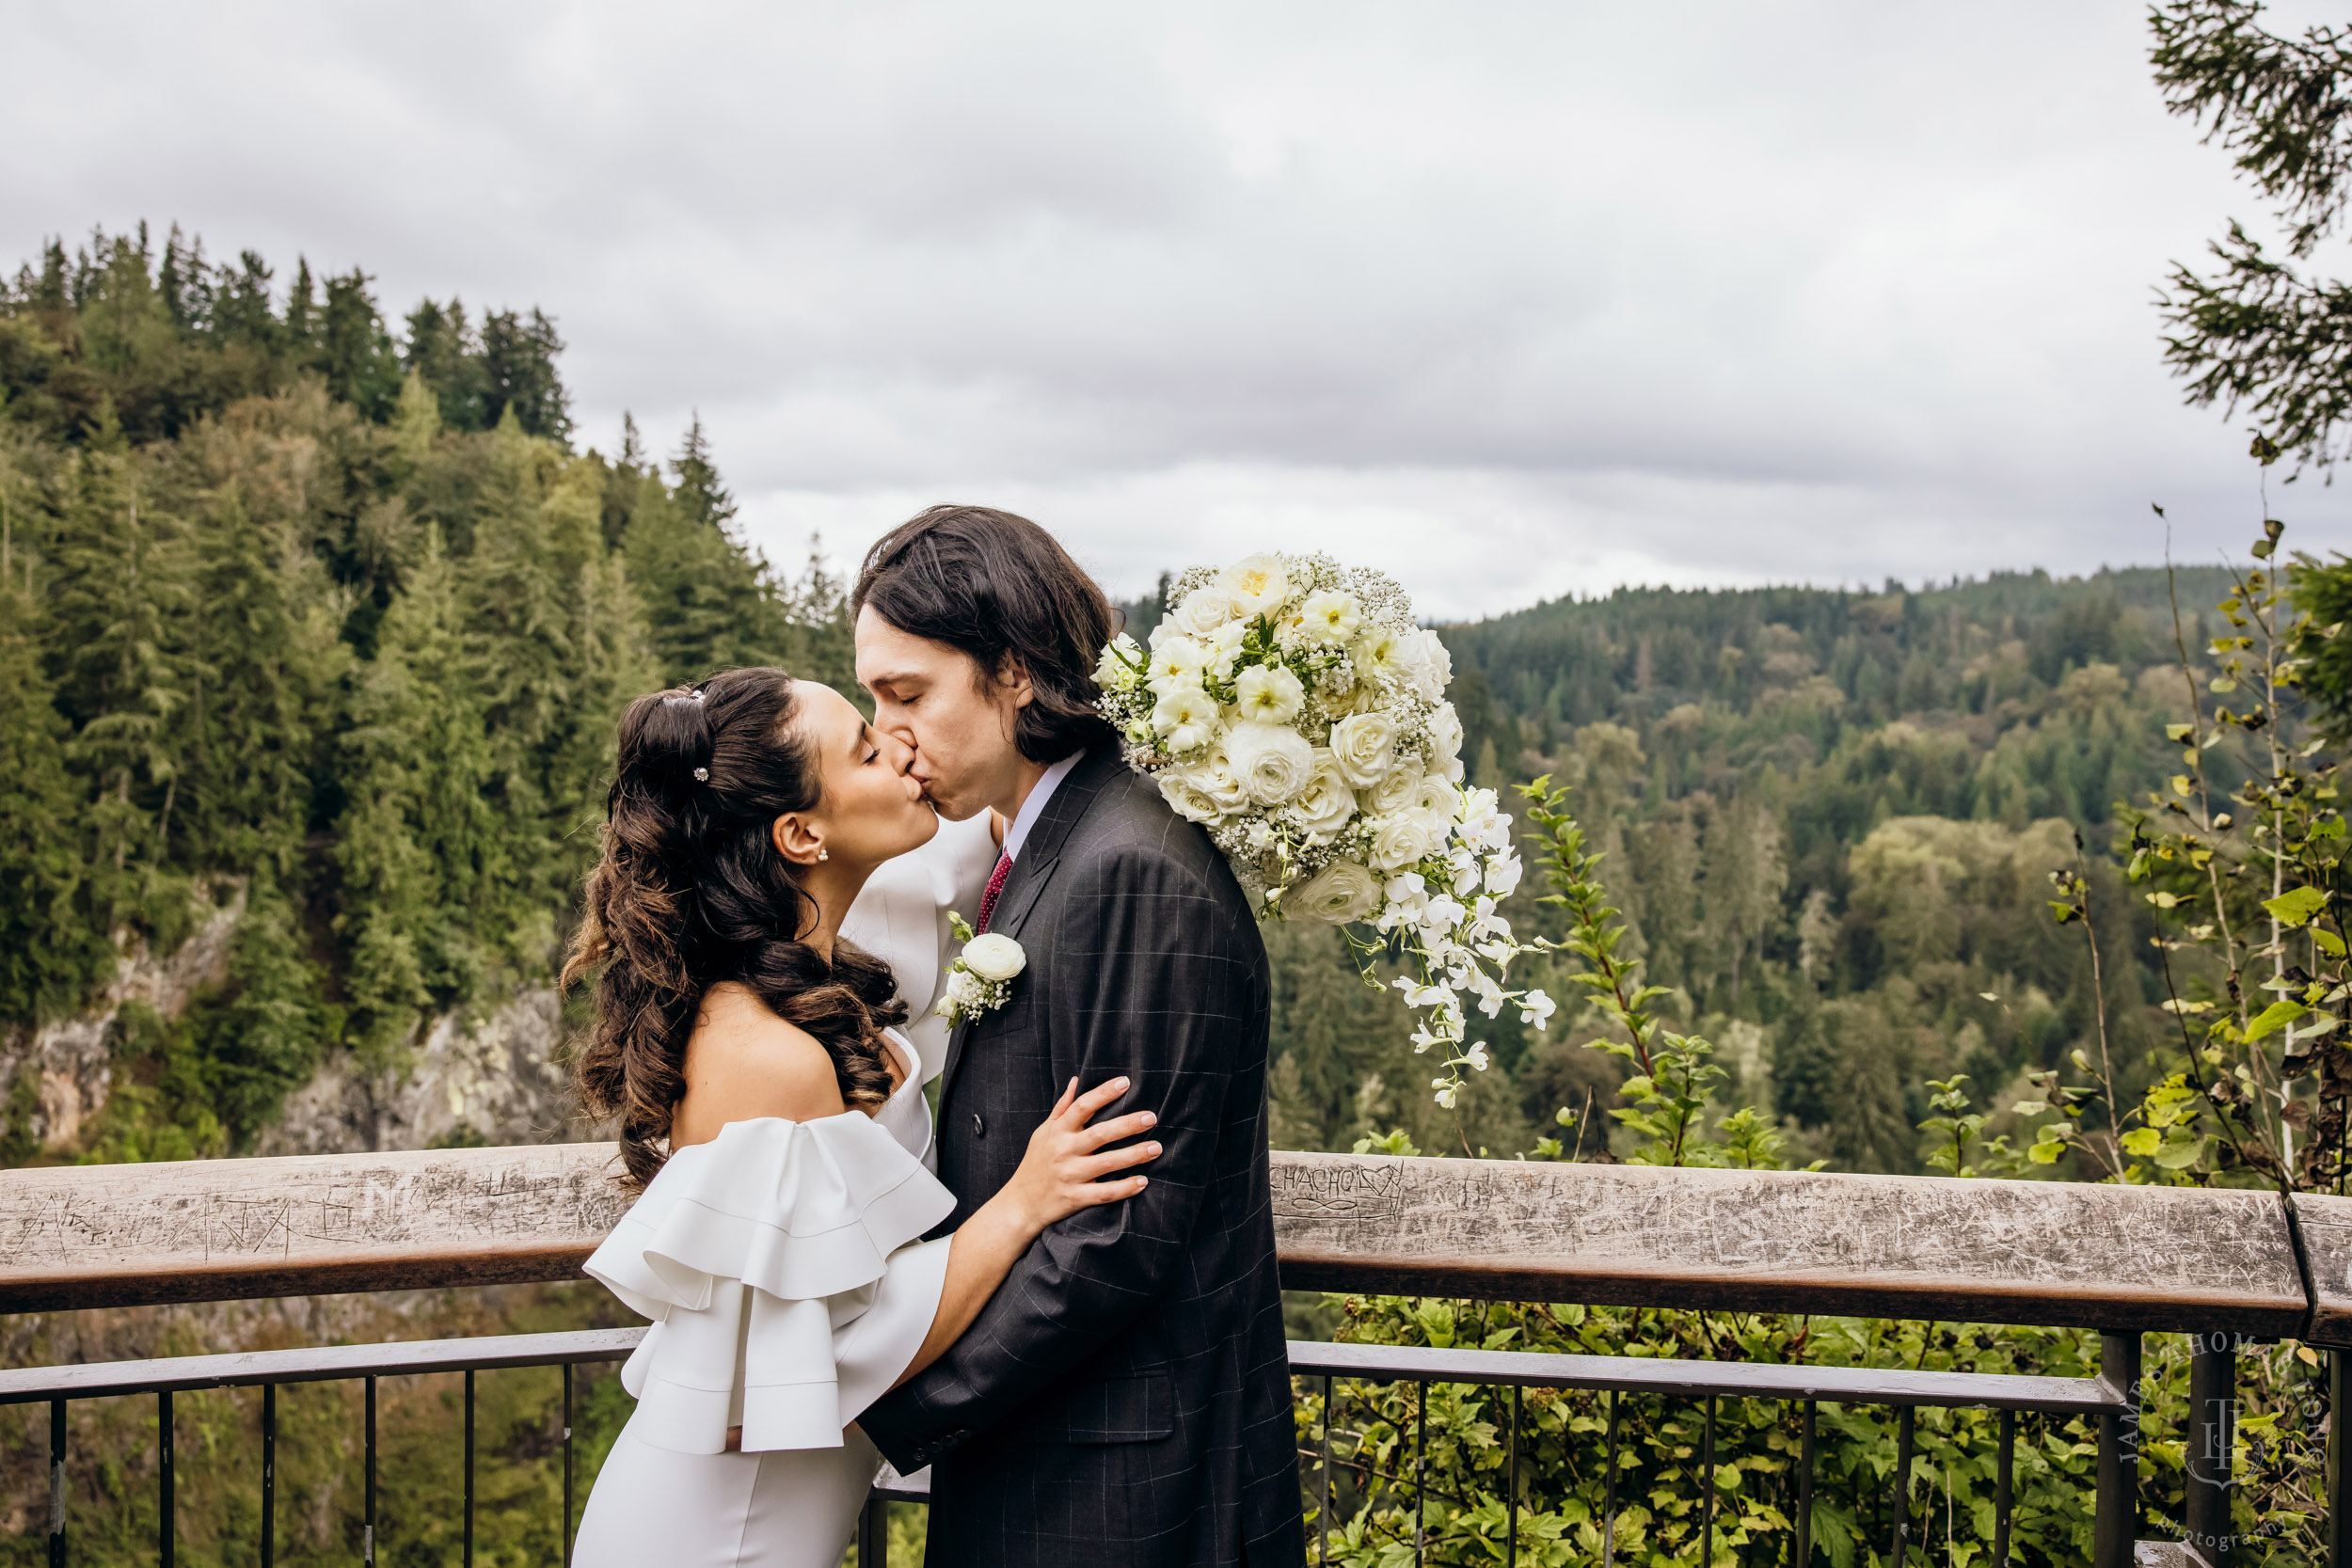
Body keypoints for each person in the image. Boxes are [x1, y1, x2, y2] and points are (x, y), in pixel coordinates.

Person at [564, 667, 1163, 1568]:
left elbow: (965, 847)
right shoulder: (766, 1053)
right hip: (713, 1541)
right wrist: (1024, 1201)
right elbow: (810, 1369)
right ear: (802, 832)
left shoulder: (812, 974)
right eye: (866, 745)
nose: (901, 747)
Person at [851, 507, 1305, 1568]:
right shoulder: (1050, 833)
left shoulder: (1129, 864)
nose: (888, 736)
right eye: (875, 700)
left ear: (1012, 672)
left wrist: (881, 1405)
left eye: (908, 694)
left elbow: (1115, 1234)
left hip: (1122, 1482)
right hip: (1056, 1445)